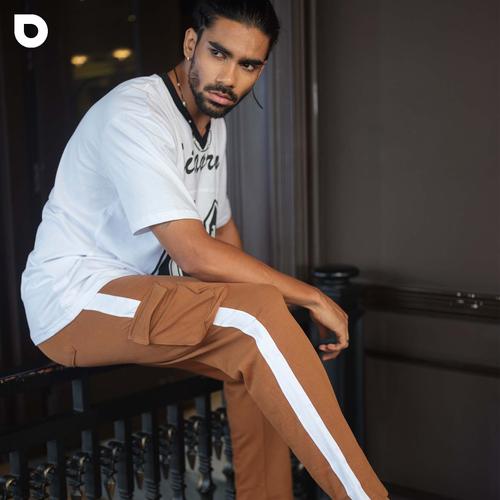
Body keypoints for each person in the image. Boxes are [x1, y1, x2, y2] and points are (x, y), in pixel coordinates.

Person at [20, 1, 389, 498]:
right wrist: (311, 297)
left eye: (248, 65)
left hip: (148, 295)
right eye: (219, 53)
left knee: (262, 343)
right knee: (259, 319)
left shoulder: (215, 123)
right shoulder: (135, 113)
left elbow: (222, 230)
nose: (229, 78)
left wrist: (276, 314)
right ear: (191, 43)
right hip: (74, 301)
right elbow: (195, 253)